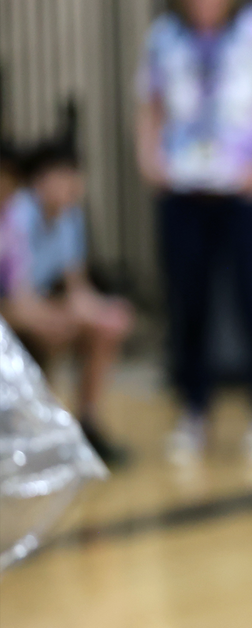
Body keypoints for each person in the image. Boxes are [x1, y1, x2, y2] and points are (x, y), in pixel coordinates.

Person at [135, 0, 252, 466]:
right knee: (187, 304)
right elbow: (150, 103)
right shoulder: (165, 36)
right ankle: (192, 412)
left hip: (245, 194)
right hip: (184, 191)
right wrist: (149, 159)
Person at [0, 141, 134, 467]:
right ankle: (29, 430)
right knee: (52, 329)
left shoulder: (69, 217)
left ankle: (86, 426)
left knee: (103, 328)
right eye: (62, 175)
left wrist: (100, 313)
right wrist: (61, 317)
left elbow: (76, 287)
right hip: (16, 311)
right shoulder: (17, 215)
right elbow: (17, 300)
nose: (71, 184)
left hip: (35, 305)